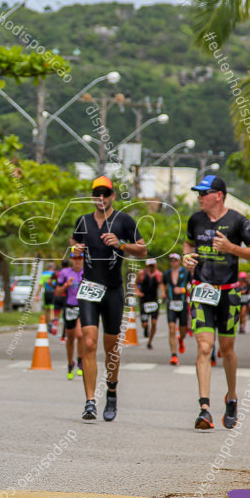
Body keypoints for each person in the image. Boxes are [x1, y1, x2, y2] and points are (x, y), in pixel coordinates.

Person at [183, 174, 250, 430]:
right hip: (201, 291)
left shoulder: (238, 221)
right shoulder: (195, 219)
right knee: (205, 347)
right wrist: (187, 258)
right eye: (198, 193)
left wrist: (232, 248)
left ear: (219, 195)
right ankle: (204, 408)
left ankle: (231, 397)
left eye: (203, 193)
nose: (199, 198)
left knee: (226, 350)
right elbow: (187, 244)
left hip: (229, 294)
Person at [70, 176, 146, 422]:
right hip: (89, 288)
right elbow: (74, 256)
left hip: (113, 290)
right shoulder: (82, 221)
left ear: (113, 195)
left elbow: (143, 250)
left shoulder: (123, 220)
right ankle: (90, 401)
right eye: (96, 194)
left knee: (111, 348)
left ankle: (111, 391)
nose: (101, 198)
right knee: (89, 343)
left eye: (105, 193)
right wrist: (76, 252)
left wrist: (122, 244)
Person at [55, 247, 85, 380]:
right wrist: (66, 285)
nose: (77, 261)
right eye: (75, 258)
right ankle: (70, 363)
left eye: (80, 258)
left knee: (80, 335)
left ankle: (80, 362)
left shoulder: (87, 272)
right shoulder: (65, 272)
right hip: (70, 307)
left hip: (83, 307)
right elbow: (57, 292)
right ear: (72, 259)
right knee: (71, 338)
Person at [163, 252, 191, 365]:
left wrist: (183, 290)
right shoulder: (167, 274)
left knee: (183, 330)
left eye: (175, 260)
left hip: (183, 303)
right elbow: (164, 285)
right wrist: (163, 293)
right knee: (171, 328)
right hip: (171, 303)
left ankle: (181, 339)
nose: (173, 262)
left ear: (179, 261)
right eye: (171, 260)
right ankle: (174, 355)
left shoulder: (186, 272)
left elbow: (192, 285)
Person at [135, 258, 163, 350]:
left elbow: (161, 285)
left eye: (152, 265)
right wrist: (137, 292)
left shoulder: (159, 274)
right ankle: (146, 329)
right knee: (145, 324)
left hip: (154, 300)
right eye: (149, 265)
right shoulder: (141, 274)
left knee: (154, 322)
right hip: (144, 300)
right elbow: (134, 283)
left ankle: (150, 342)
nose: (151, 267)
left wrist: (162, 292)